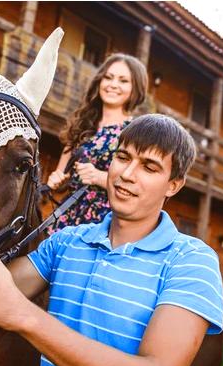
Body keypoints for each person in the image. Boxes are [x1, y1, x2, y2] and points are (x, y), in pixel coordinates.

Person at [0, 114, 223, 366]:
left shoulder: (192, 261)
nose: (127, 174)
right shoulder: (66, 243)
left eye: (149, 167)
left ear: (174, 184)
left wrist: (24, 316)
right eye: (123, 157)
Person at [45, 53, 148, 232]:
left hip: (105, 223)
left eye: (123, 81)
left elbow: (139, 186)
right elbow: (62, 178)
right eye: (108, 77)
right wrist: (56, 180)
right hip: (67, 216)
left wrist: (99, 177)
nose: (113, 85)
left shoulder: (135, 131)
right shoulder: (81, 125)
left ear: (135, 88)